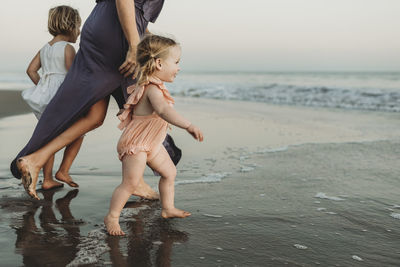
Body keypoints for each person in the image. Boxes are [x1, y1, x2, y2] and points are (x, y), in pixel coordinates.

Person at [11, 0, 180, 200]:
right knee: (142, 112)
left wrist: (147, 37)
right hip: (117, 35)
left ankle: (34, 159)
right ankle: (136, 181)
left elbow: (135, 15)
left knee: (95, 115)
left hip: (105, 28)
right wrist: (135, 45)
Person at [104, 35, 204, 236]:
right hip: (137, 144)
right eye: (176, 62)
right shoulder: (152, 89)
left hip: (152, 143)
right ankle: (112, 217)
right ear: (159, 63)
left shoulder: (155, 86)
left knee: (169, 173)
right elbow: (164, 111)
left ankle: (168, 208)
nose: (179, 67)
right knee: (130, 183)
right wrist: (188, 125)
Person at [21, 5, 83, 191]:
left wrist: (43, 87)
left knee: (50, 138)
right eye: (78, 27)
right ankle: (63, 170)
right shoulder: (68, 48)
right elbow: (74, 77)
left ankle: (47, 179)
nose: (79, 32)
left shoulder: (45, 48)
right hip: (62, 98)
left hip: (44, 98)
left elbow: (30, 70)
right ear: (70, 25)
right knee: (78, 133)